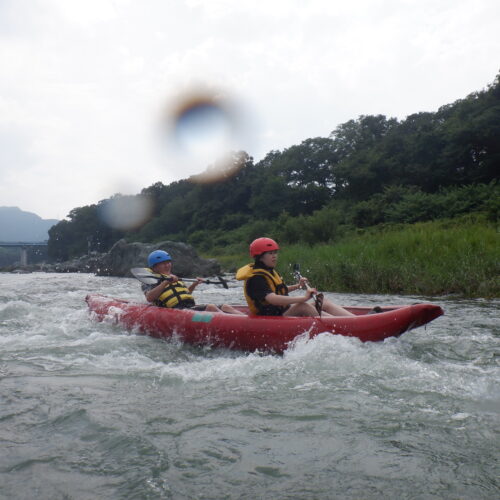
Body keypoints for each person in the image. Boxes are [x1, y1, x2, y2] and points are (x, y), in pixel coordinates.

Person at [236, 238, 355, 317]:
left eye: (275, 252)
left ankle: (353, 320)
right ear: (260, 257)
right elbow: (272, 299)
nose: (274, 256)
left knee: (324, 302)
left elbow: (279, 290)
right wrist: (302, 298)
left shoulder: (268, 271)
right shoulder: (256, 278)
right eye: (270, 253)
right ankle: (341, 325)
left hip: (280, 311)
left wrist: (298, 286)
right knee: (303, 306)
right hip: (269, 317)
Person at [143, 250, 244, 314]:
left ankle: (245, 320)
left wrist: (194, 284)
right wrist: (165, 282)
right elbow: (149, 298)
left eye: (168, 262)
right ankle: (233, 325)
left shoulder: (174, 277)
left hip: (188, 307)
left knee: (225, 306)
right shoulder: (150, 280)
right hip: (175, 311)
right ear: (154, 267)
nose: (167, 265)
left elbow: (184, 294)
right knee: (211, 307)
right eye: (163, 264)